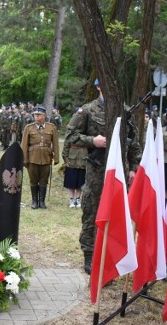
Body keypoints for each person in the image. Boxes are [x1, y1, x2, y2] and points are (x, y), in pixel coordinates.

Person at [64, 79, 141, 274]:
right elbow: (71, 135)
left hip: (119, 172)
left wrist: (133, 167)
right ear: (98, 86)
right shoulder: (87, 110)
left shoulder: (125, 111)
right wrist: (93, 140)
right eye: (104, 86)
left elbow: (134, 141)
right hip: (96, 171)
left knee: (117, 212)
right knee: (92, 210)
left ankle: (112, 254)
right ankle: (90, 255)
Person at [21, 106, 59, 209]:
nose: (36, 117)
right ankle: (34, 201)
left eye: (38, 115)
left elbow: (55, 143)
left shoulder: (51, 127)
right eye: (35, 115)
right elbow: (24, 144)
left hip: (46, 158)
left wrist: (56, 158)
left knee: (44, 180)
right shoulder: (29, 127)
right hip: (32, 158)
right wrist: (24, 159)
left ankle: (42, 201)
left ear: (44, 115)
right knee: (33, 180)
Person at [62, 107, 87, 208]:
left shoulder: (87, 128)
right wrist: (65, 158)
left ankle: (78, 198)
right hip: (72, 157)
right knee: (71, 180)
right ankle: (71, 199)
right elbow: (66, 144)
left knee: (81, 180)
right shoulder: (71, 129)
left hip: (83, 157)